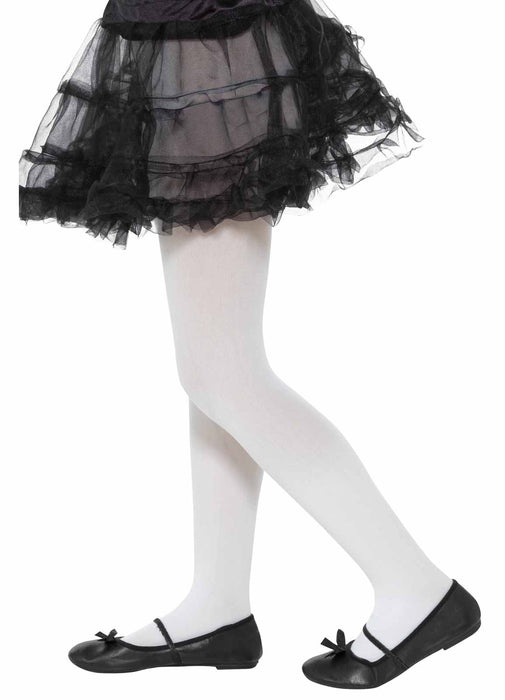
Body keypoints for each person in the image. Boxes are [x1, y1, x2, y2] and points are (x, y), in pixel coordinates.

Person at [18, 0, 480, 689]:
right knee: (211, 371)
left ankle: (417, 588)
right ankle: (218, 606)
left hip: (216, 41)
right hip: (186, 37)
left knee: (221, 372)